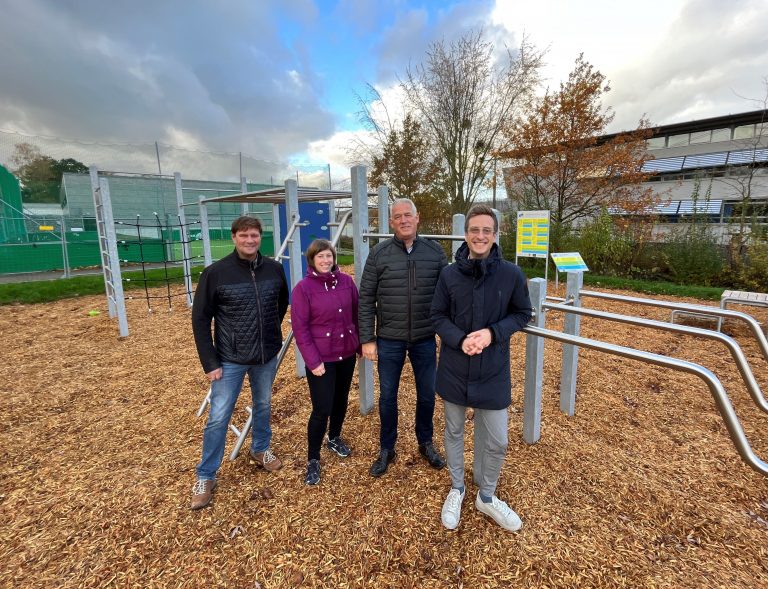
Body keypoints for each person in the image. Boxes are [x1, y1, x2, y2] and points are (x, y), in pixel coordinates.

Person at [430, 204, 532, 532]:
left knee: (498, 439)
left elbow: (522, 313)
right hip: (454, 367)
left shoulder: (511, 274)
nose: (480, 236)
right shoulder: (449, 274)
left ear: (495, 235)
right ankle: (457, 487)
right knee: (454, 431)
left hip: (493, 369)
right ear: (466, 234)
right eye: (475, 230)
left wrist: (491, 334)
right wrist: (460, 340)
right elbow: (437, 316)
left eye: (486, 230)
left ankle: (486, 496)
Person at [190, 215, 289, 510]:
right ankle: (205, 475)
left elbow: (281, 303)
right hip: (229, 358)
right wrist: (210, 361)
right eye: (244, 235)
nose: (250, 240)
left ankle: (261, 449)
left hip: (265, 355)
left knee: (263, 404)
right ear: (234, 237)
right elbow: (200, 320)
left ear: (261, 238)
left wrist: (269, 333)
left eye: (255, 235)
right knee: (219, 415)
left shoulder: (274, 269)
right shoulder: (216, 273)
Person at [359, 197, 448, 477]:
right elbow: (365, 298)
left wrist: (449, 333)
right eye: (397, 216)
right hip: (389, 338)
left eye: (407, 215)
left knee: (427, 395)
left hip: (423, 337)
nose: (403, 220)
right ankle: (387, 447)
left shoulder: (435, 253)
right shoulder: (379, 253)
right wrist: (367, 338)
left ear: (417, 217)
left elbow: (448, 296)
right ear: (390, 222)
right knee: (387, 397)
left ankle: (425, 442)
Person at [291, 239, 360, 485]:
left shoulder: (346, 282)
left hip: (346, 353)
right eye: (320, 257)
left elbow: (356, 313)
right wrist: (312, 361)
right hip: (322, 358)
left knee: (341, 399)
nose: (325, 260)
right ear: (312, 260)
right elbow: (300, 329)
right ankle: (313, 458)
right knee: (322, 408)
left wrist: (360, 344)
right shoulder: (303, 289)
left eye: (329, 256)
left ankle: (335, 437)